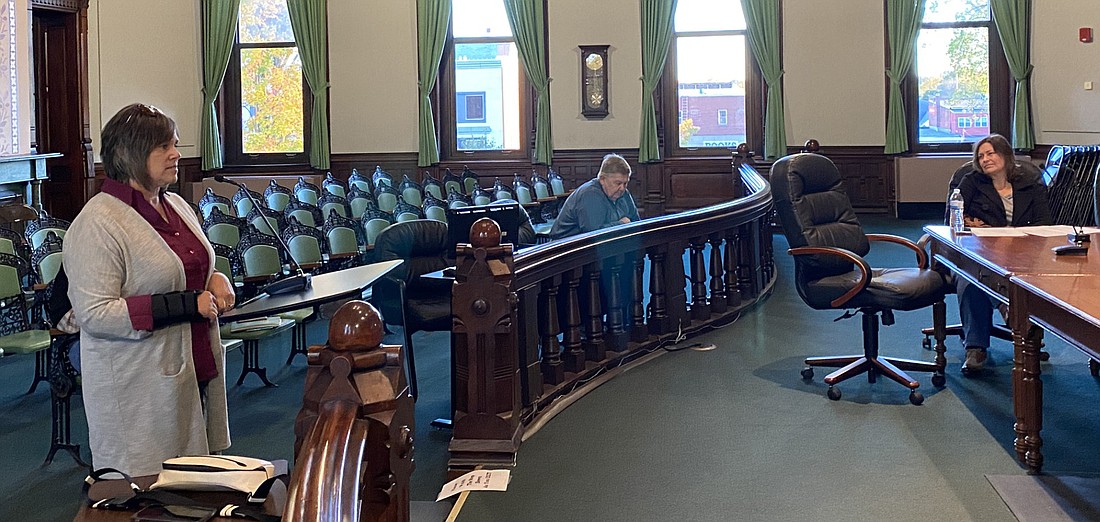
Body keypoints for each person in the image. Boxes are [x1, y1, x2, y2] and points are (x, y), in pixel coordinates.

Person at [65, 103, 237, 477]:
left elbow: (186, 268)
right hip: (135, 387)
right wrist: (187, 304)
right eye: (164, 147)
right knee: (149, 491)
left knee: (195, 484)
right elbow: (95, 314)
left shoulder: (174, 204)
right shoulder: (98, 222)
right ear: (130, 154)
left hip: (193, 367)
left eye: (174, 144)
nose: (177, 153)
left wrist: (215, 278)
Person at [955, 133, 1051, 375]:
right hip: (978, 251)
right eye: (981, 156)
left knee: (1025, 278)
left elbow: (1044, 223)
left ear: (1005, 155)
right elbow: (955, 217)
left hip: (1022, 252)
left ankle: (1013, 317)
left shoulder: (1029, 183)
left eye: (990, 153)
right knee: (971, 279)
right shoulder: (971, 183)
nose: (985, 159)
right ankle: (976, 347)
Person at [549, 153, 641, 239]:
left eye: (625, 183)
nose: (622, 188)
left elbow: (636, 222)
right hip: (566, 249)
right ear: (602, 179)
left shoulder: (623, 193)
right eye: (618, 183)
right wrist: (622, 224)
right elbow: (594, 234)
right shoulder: (590, 194)